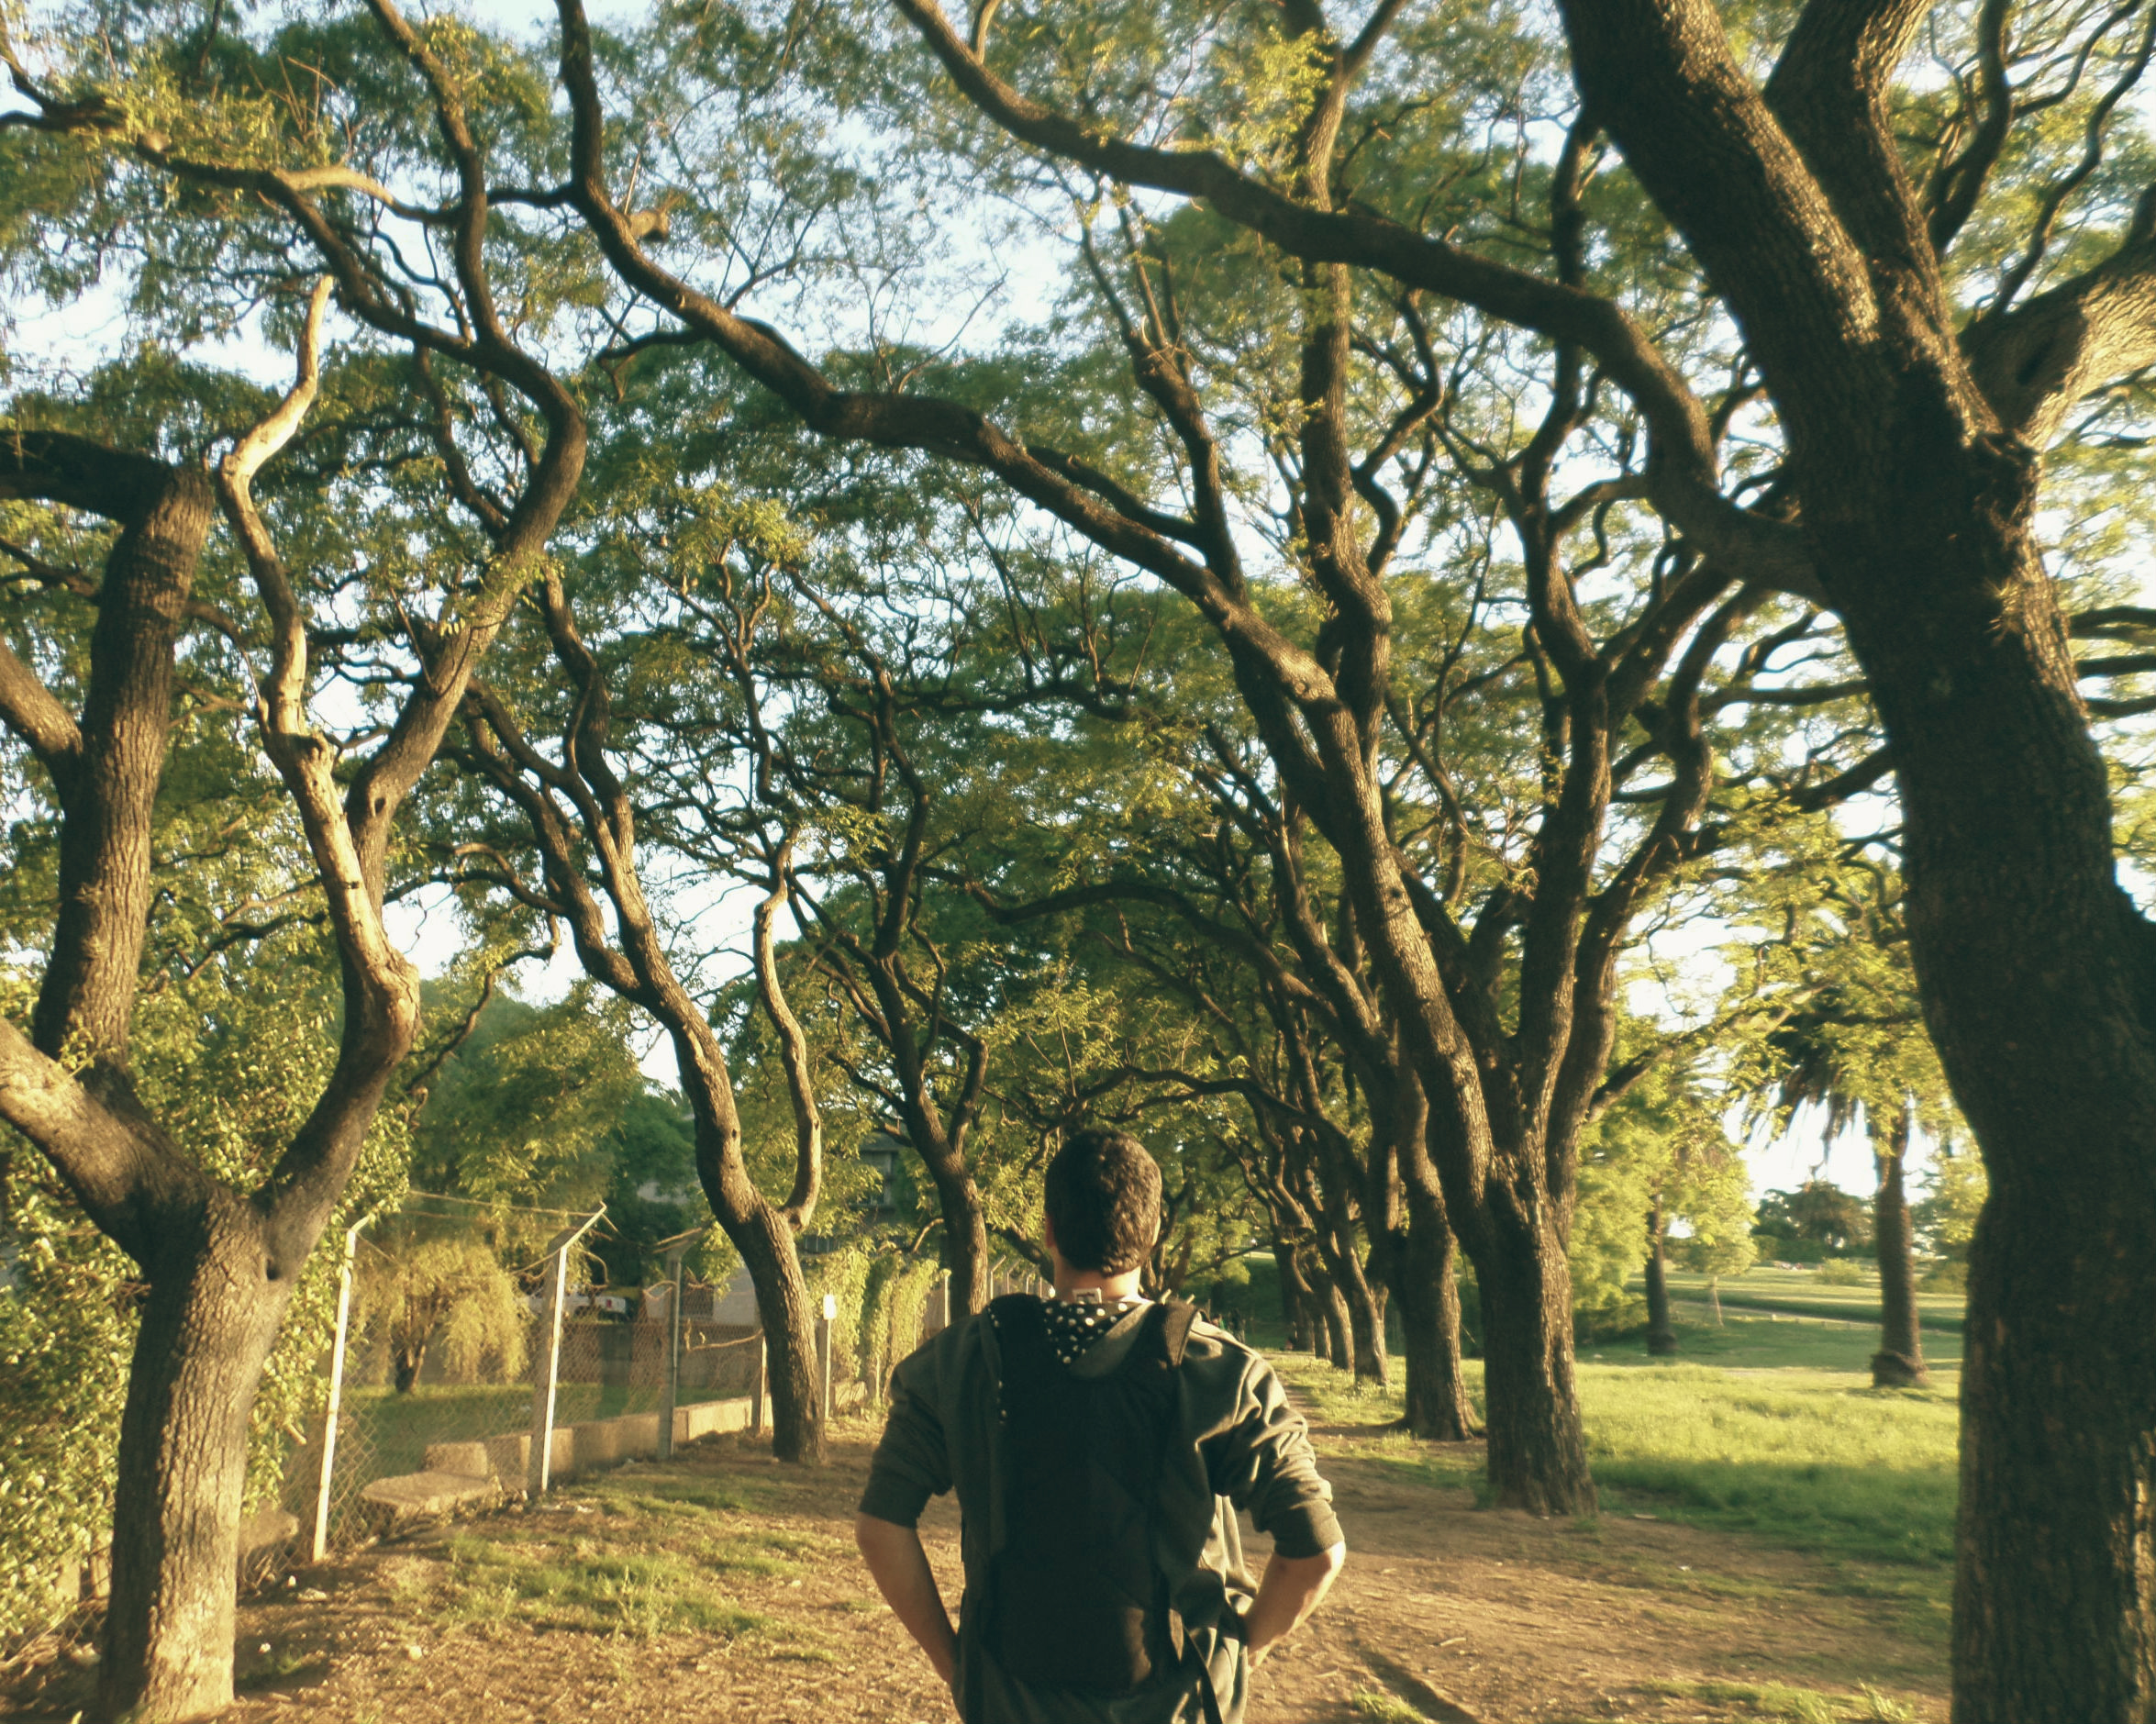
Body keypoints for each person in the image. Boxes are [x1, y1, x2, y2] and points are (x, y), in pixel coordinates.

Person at [855, 1128, 1347, 1722]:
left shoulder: (960, 1362)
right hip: (1177, 1703)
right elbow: (1316, 1551)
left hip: (1009, 1701)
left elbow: (881, 1525)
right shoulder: (1223, 1372)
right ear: (1154, 1232)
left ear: (1049, 1229)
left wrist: (958, 1666)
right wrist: (1240, 1651)